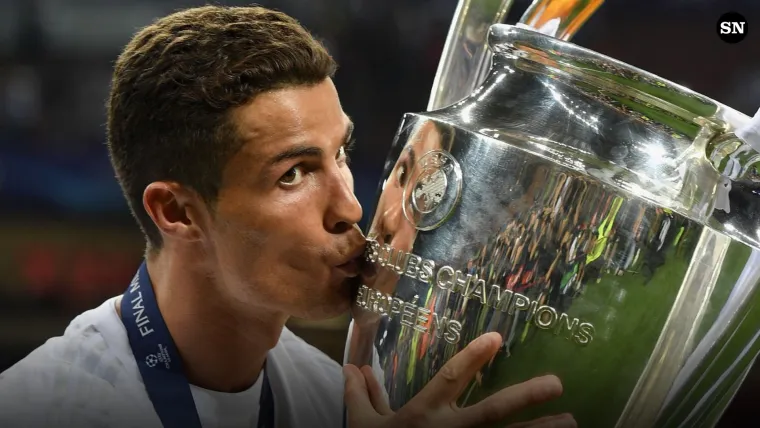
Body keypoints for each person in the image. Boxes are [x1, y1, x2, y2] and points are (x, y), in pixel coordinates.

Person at [0, 6, 576, 428]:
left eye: (342, 154)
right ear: (177, 213)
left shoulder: (339, 399)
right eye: (294, 174)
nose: (350, 207)